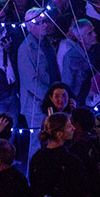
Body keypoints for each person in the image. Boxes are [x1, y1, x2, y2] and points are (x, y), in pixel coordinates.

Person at [17, 8, 60, 157]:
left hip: (51, 99)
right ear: (29, 26)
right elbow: (30, 82)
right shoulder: (25, 49)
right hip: (36, 103)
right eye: (39, 22)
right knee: (37, 143)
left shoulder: (47, 43)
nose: (45, 25)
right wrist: (50, 98)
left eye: (45, 21)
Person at [29, 113, 88, 197]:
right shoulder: (70, 160)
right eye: (69, 126)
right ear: (59, 134)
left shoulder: (36, 157)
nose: (73, 128)